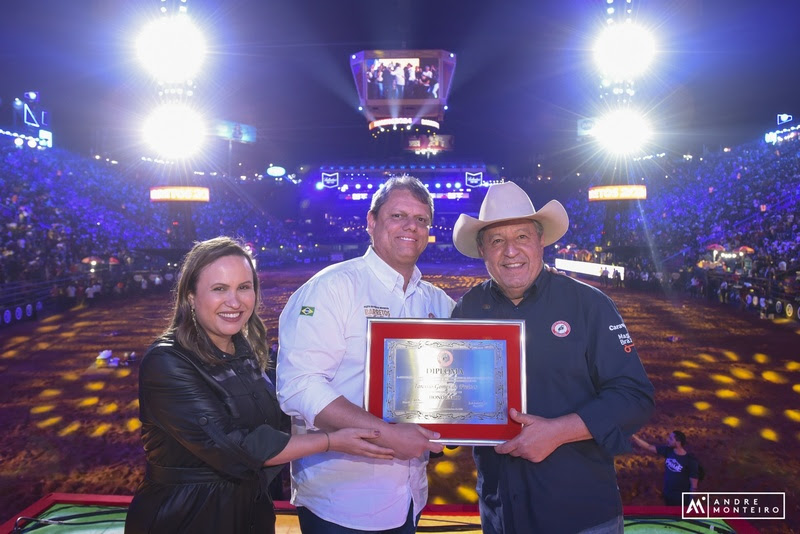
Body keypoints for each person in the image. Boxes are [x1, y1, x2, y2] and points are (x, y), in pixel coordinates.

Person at [125, 237, 392, 534]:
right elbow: (235, 447)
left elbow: (285, 414)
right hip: (186, 518)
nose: (235, 301)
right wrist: (332, 440)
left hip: (251, 515)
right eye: (219, 289)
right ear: (190, 296)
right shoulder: (167, 362)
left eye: (244, 287)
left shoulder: (249, 352)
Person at [450, 181, 655, 533]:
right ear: (483, 249)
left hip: (580, 513)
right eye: (497, 240)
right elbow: (453, 397)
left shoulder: (589, 305)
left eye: (522, 237)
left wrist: (558, 432)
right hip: (502, 514)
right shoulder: (468, 309)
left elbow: (634, 398)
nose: (510, 251)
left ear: (541, 241)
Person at [277, 176, 454, 533]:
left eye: (421, 220)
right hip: (342, 502)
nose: (411, 227)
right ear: (371, 222)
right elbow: (299, 386)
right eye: (398, 216)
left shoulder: (438, 302)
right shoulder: (332, 287)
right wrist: (387, 435)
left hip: (409, 497)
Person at [631, 431, 700, 506]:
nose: (667, 440)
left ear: (678, 442)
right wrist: (633, 436)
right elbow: (648, 447)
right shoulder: (668, 451)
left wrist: (692, 505)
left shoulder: (690, 461)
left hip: (681, 501)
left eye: (671, 439)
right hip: (668, 497)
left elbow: (694, 486)